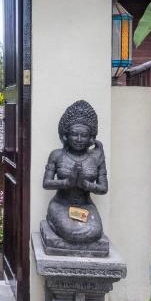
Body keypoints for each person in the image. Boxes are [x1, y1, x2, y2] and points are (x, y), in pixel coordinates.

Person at [42, 100, 107, 243]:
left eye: (83, 135)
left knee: (94, 232)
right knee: (72, 233)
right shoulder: (57, 155)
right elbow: (46, 183)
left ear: (91, 138)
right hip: (61, 204)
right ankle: (53, 221)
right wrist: (67, 182)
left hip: (85, 206)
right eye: (74, 134)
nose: (78, 139)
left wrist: (86, 184)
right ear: (66, 136)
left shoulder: (96, 157)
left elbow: (103, 188)